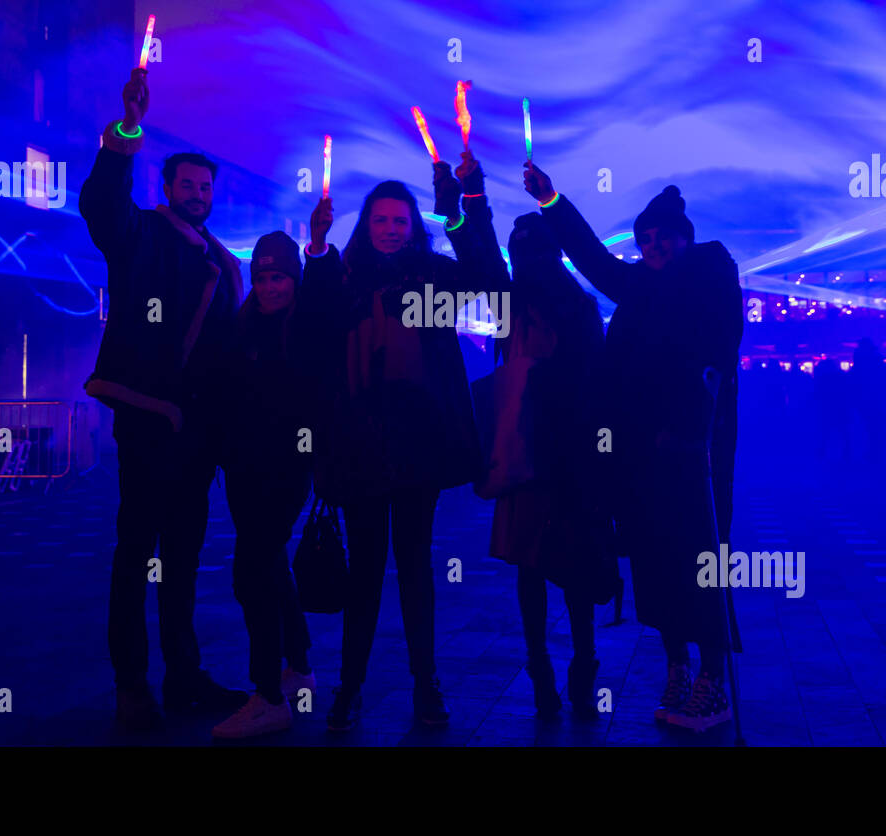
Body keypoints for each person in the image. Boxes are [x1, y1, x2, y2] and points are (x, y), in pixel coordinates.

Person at [524, 164, 743, 732]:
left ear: (685, 237)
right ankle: (677, 667)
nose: (652, 247)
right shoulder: (641, 286)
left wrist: (692, 424)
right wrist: (552, 200)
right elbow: (595, 261)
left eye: (663, 237)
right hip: (642, 453)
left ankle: (712, 679)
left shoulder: (709, 273)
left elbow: (719, 350)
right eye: (644, 240)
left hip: (694, 450)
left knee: (700, 558)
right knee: (656, 559)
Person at [305, 152, 507, 731]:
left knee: (415, 564)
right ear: (365, 225)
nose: (391, 230)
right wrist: (316, 250)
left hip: (418, 442)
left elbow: (493, 282)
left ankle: (426, 682)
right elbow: (314, 327)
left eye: (400, 221)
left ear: (413, 226)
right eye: (380, 220)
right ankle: (351, 687)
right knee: (368, 567)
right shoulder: (343, 277)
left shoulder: (433, 277)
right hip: (361, 441)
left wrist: (467, 205)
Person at [79, 67, 246, 731]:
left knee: (180, 564)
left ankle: (182, 676)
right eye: (188, 185)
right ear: (166, 187)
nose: (198, 195)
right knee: (135, 557)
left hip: (197, 436)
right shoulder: (139, 234)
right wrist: (127, 130)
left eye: (206, 188)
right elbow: (101, 207)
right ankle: (131, 684)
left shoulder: (220, 260)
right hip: (151, 425)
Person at [485, 210, 616, 717]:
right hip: (561, 456)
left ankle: (550, 672)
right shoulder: (571, 307)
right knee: (566, 567)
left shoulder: (516, 308)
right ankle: (575, 668)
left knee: (536, 566)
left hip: (536, 454)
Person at [211, 231, 328, 740]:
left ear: (294, 278)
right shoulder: (246, 326)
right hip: (244, 467)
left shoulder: (304, 327)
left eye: (278, 275)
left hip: (285, 468)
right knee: (269, 563)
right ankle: (297, 665)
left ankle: (268, 695)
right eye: (261, 277)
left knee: (251, 571)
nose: (268, 285)